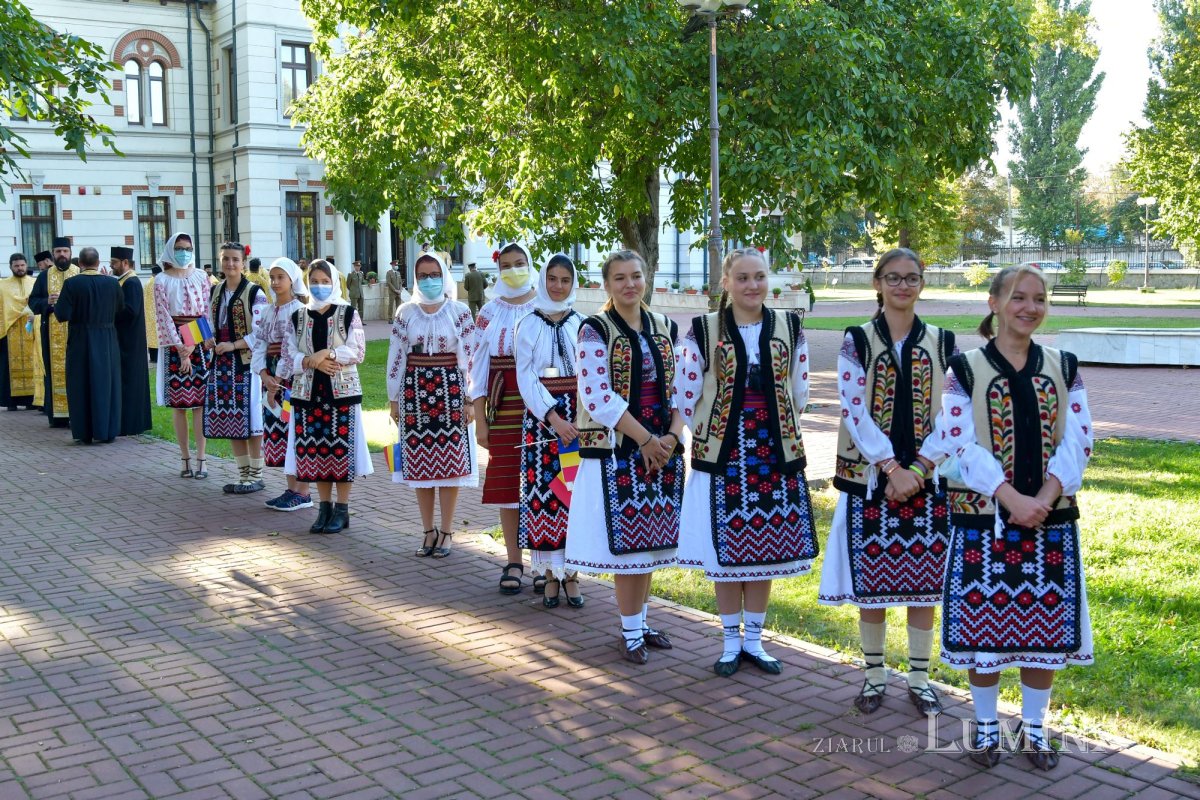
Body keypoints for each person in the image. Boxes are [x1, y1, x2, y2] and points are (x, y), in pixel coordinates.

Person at [925, 265, 1093, 771]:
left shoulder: (1064, 365)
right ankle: (986, 728)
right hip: (983, 519)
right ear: (994, 303)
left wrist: (1044, 494)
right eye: (1018, 297)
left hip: (1051, 517)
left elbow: (1079, 437)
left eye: (1039, 299)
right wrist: (1009, 498)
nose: (1030, 308)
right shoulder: (966, 368)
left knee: (1042, 631)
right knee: (986, 633)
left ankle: (1036, 730)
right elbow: (957, 441)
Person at [817, 248, 957, 715]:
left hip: (927, 481)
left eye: (911, 278)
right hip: (872, 480)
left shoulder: (943, 341)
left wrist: (919, 468)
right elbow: (853, 409)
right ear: (877, 283)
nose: (902, 286)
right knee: (872, 583)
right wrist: (891, 468)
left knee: (924, 583)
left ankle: (919, 677)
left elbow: (954, 415)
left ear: (922, 283)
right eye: (893, 278)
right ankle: (874, 674)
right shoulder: (856, 339)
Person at [675, 248, 817, 676]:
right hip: (723, 451)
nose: (752, 285)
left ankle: (754, 641)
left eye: (759, 277)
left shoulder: (790, 326)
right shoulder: (703, 330)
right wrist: (695, 432)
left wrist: (778, 424)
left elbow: (801, 389)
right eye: (742, 278)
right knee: (726, 549)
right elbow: (685, 392)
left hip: (773, 451)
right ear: (726, 283)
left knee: (766, 547)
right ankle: (728, 643)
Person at [565, 249, 685, 664]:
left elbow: (681, 389)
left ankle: (641, 621)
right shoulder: (594, 330)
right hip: (618, 449)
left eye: (636, 276)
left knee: (651, 543)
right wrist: (645, 440)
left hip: (660, 448)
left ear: (646, 278)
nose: (630, 284)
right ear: (607, 285)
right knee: (629, 547)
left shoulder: (664, 325)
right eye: (620, 278)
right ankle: (629, 631)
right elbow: (597, 396)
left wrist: (669, 436)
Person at [387, 252, 477, 556]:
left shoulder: (459, 311)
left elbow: (471, 358)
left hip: (451, 393)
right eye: (423, 275)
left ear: (445, 275)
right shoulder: (405, 312)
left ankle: (448, 531)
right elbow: (396, 356)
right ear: (415, 278)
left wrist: (469, 399)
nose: (429, 280)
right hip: (414, 393)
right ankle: (428, 531)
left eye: (434, 274)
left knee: (449, 465)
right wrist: (393, 398)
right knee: (421, 467)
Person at [280, 259, 372, 533]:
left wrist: (328, 353)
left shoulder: (347, 313)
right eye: (315, 281)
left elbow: (359, 351)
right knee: (316, 451)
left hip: (341, 393)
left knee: (339, 451)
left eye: (325, 281)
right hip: (308, 394)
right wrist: (310, 360)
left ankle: (342, 510)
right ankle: (324, 508)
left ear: (334, 282)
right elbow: (287, 356)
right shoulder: (298, 316)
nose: (319, 286)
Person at [514, 254, 585, 608]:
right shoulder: (527, 323)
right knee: (545, 494)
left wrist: (581, 420)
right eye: (553, 279)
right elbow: (525, 377)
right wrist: (553, 418)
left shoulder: (585, 325)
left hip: (580, 421)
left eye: (565, 280)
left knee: (574, 494)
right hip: (543, 420)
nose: (558, 286)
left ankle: (571, 574)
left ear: (574, 283)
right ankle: (550, 576)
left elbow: (591, 375)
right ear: (543, 281)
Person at [469, 243, 538, 594]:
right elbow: (478, 368)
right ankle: (514, 560)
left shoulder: (547, 304)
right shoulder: (490, 312)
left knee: (545, 484)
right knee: (508, 484)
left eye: (520, 263)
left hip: (544, 405)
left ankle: (545, 562)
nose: (513, 270)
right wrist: (480, 420)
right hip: (505, 403)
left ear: (530, 264)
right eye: (507, 265)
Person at [204, 242, 269, 494]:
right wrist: (208, 339)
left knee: (251, 417)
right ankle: (242, 474)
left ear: (243, 263)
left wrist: (233, 345)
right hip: (221, 362)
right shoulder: (215, 291)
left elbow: (261, 331)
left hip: (247, 362)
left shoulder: (254, 292)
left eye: (235, 259)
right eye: (225, 259)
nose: (230, 264)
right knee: (231, 417)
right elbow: (209, 321)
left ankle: (256, 474)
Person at [253, 257, 313, 512]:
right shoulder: (268, 310)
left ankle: (304, 490)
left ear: (292, 280)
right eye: (273, 277)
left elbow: (291, 349)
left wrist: (278, 379)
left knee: (295, 431)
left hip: (292, 378)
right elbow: (260, 344)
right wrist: (264, 375)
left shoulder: (300, 310)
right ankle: (291, 488)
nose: (276, 282)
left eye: (281, 277)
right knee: (278, 430)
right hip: (272, 377)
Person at [154, 232, 212, 479]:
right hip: (174, 345)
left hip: (197, 341)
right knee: (179, 407)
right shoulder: (160, 280)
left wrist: (192, 343)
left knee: (200, 405)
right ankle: (184, 458)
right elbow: (163, 316)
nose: (184, 252)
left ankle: (202, 458)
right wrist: (180, 349)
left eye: (188, 247)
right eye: (179, 247)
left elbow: (207, 311)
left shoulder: (201, 276)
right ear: (170, 249)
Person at [52, 247, 123, 444]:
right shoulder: (112, 283)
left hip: (80, 338)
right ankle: (106, 431)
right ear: (99, 263)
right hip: (107, 337)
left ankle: (84, 432)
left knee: (80, 383)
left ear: (80, 264)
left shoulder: (71, 284)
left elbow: (62, 314)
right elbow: (120, 309)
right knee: (106, 384)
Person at [27, 236, 80, 427]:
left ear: (70, 253)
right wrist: (46, 302)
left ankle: (78, 414)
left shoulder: (80, 273)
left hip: (77, 334)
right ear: (53, 253)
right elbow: (33, 301)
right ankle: (58, 417)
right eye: (58, 252)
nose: (62, 255)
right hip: (52, 335)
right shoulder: (44, 276)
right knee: (53, 373)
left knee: (78, 373)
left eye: (65, 251)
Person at [109, 247, 152, 436]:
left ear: (125, 263)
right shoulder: (123, 281)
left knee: (130, 382)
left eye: (115, 262)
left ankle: (131, 425)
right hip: (125, 339)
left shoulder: (132, 282)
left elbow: (130, 310)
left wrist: (109, 310)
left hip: (130, 342)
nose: (112, 266)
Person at [0, 253, 40, 411]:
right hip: (10, 330)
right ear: (11, 267)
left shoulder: (34, 282)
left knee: (33, 362)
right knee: (8, 366)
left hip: (30, 329)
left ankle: (31, 400)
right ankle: (11, 401)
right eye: (16, 266)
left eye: (22, 265)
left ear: (26, 265)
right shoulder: (2, 285)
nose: (20, 268)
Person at [145, 263, 163, 364]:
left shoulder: (148, 282)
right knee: (156, 336)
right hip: (157, 313)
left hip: (148, 313)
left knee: (151, 336)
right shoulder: (157, 282)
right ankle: (156, 358)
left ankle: (152, 357)